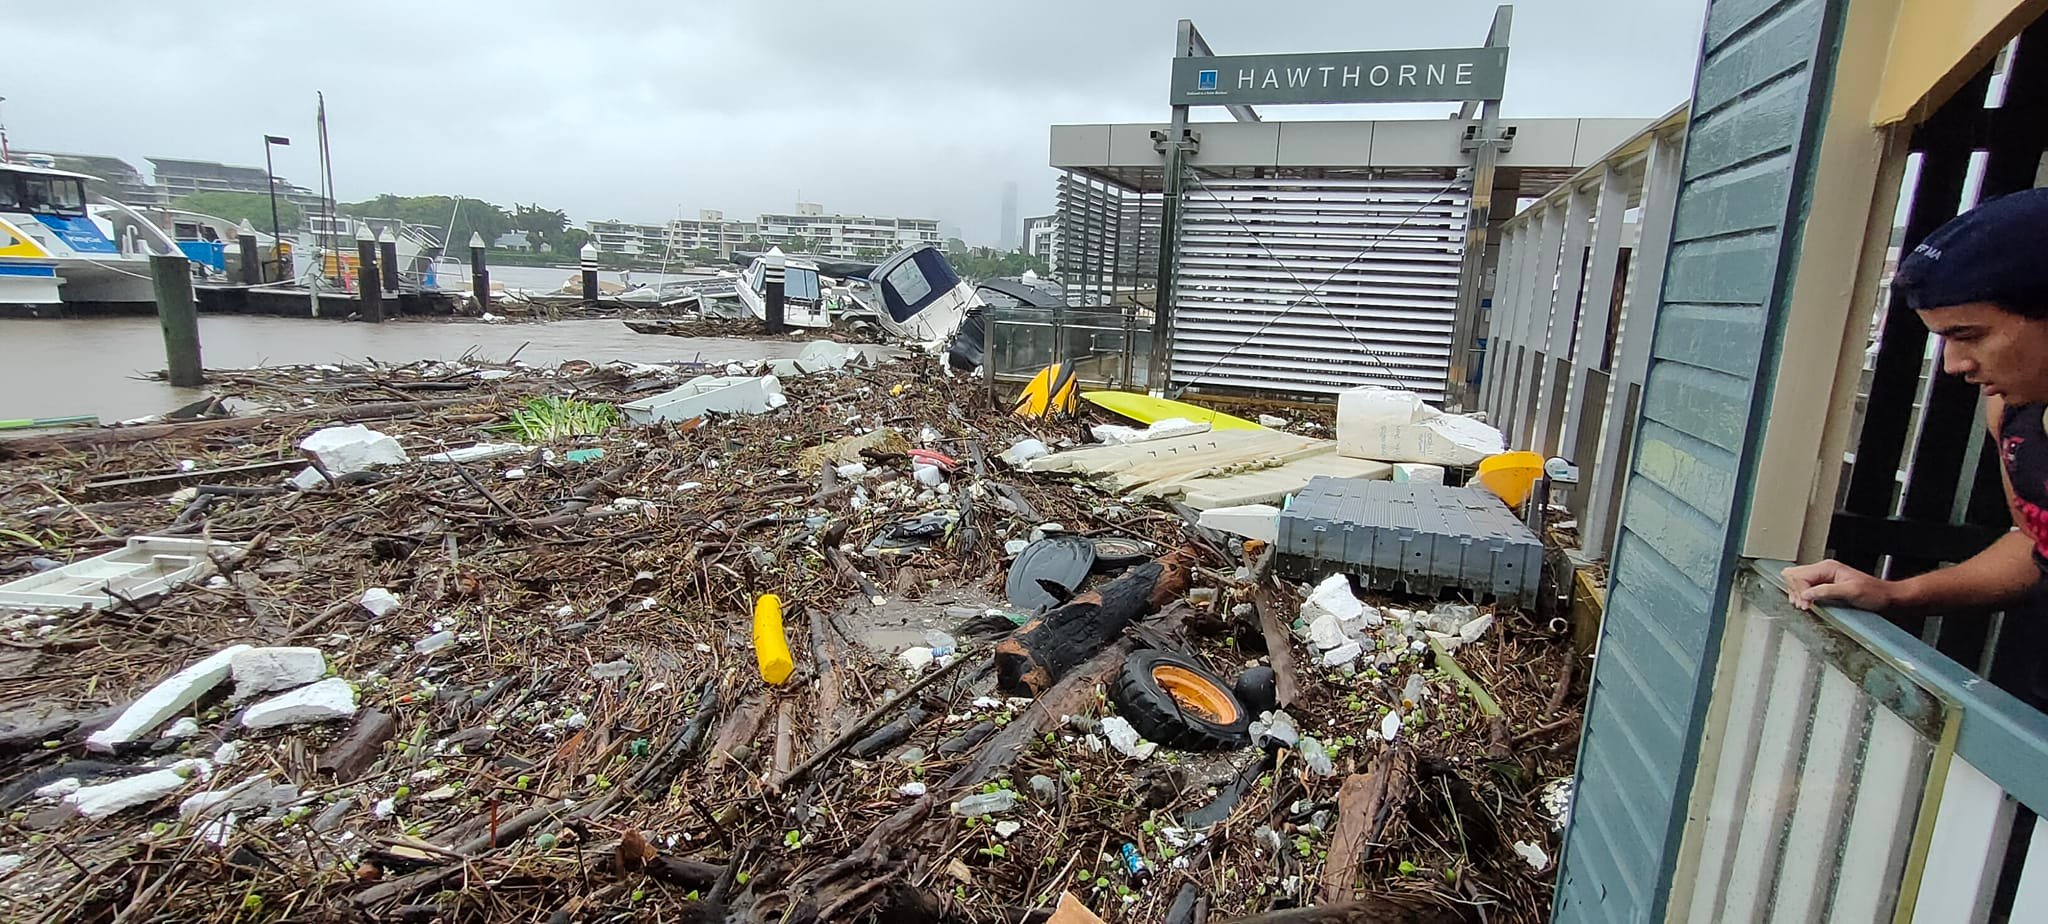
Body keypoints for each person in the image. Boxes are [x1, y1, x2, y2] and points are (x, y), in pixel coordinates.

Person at [1784, 187, 2048, 706]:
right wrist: (1894, 594)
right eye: (1944, 340)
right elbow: (2036, 546)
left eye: (1970, 335)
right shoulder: (2014, 417)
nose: (1953, 365)